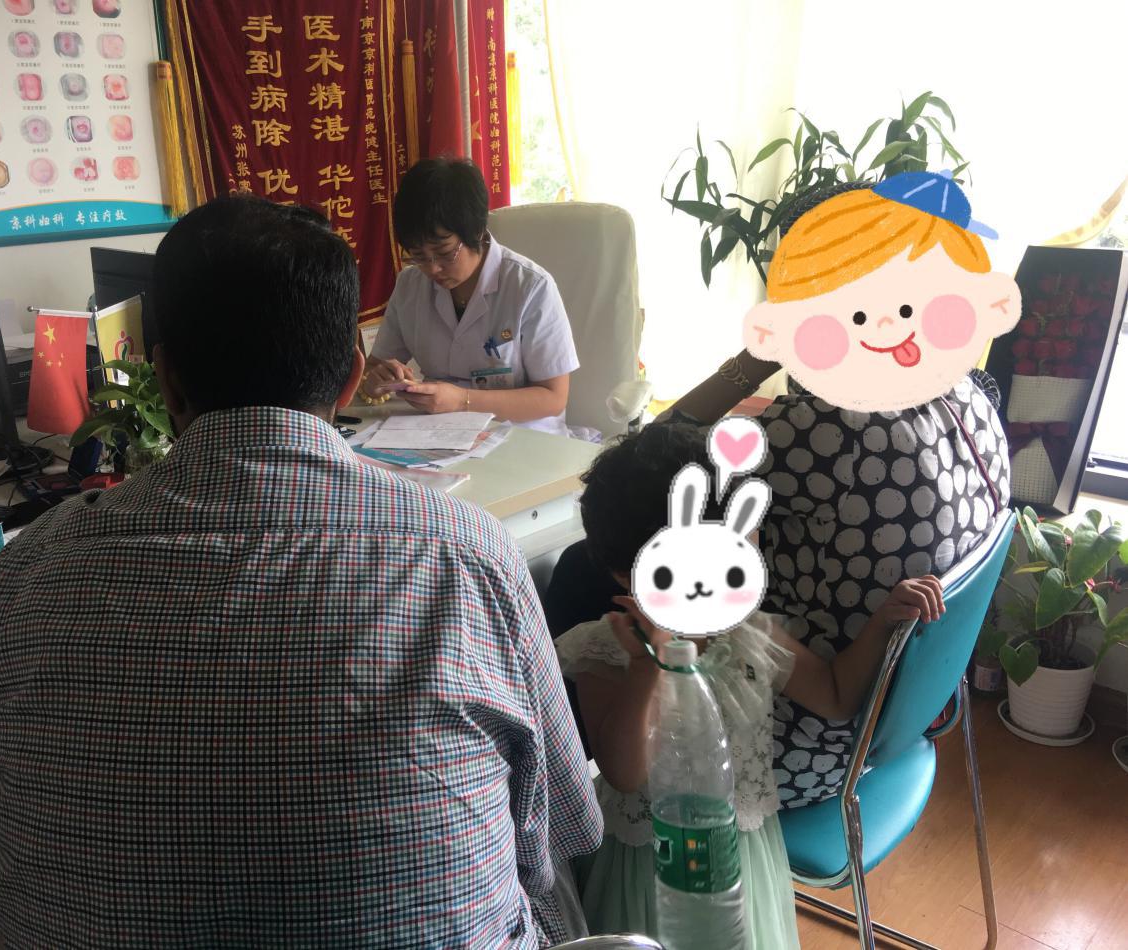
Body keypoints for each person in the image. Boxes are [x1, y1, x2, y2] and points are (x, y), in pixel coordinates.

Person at [0, 195, 602, 948]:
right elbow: (564, 822)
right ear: (350, 378)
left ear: (165, 379)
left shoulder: (35, 563)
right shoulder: (469, 557)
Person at [662, 175, 1015, 809]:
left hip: (806, 743)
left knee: (594, 578)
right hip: (912, 718)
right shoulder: (971, 394)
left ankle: (573, 820)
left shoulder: (828, 427)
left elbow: (655, 452)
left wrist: (753, 362)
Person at [553, 423, 945, 946]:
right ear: (625, 575)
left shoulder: (748, 632)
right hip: (649, 865)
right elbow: (625, 773)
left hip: (742, 855)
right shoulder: (603, 650)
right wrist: (649, 666)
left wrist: (882, 624)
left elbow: (834, 696)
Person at [364, 157, 580, 436]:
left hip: (521, 434)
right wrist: (376, 381)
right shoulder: (410, 285)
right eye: (418, 256)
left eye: (444, 253)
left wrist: (462, 401)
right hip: (434, 433)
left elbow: (553, 397)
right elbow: (375, 365)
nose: (432, 268)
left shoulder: (530, 287)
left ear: (476, 231)